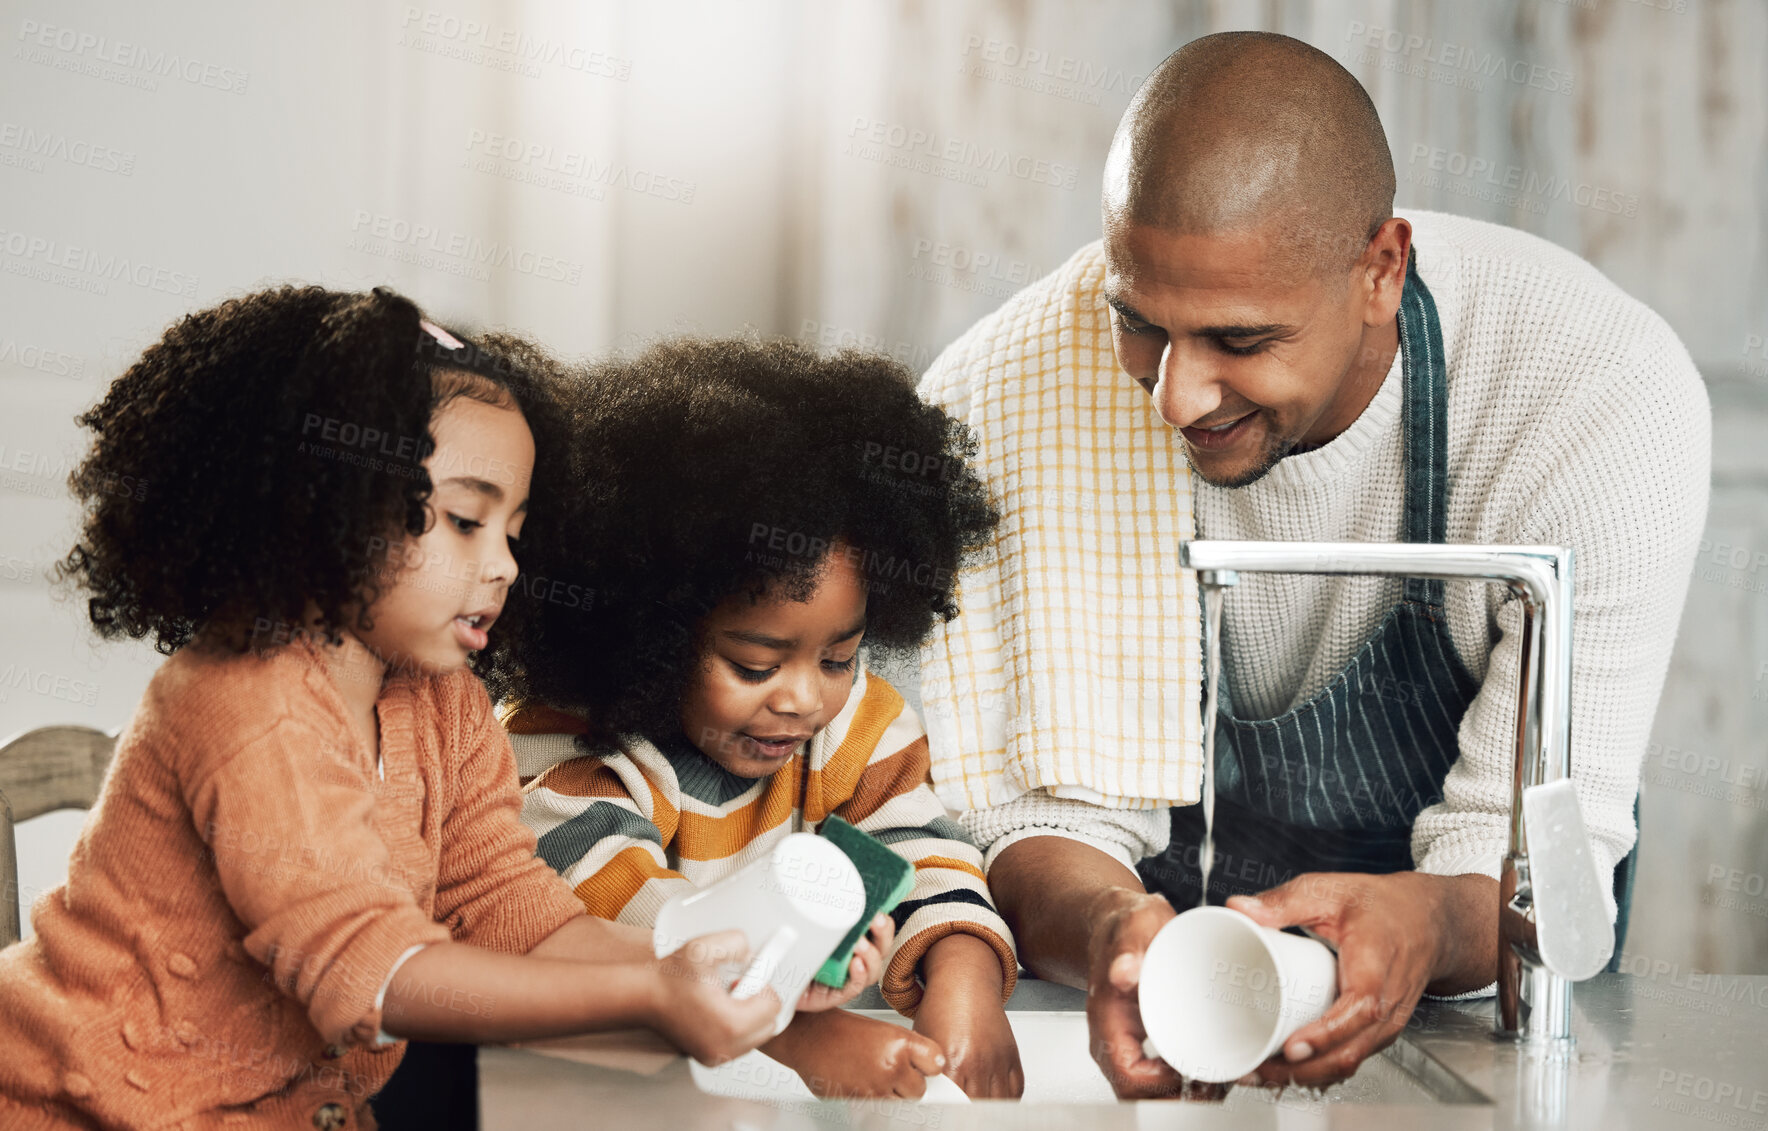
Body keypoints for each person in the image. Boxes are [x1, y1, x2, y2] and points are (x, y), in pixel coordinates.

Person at [919, 31, 1710, 1097]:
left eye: (1239, 341)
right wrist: (1113, 930)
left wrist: (1425, 923)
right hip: (1156, 1017)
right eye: (1139, 324)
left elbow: (1534, 857)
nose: (1176, 399)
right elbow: (1030, 817)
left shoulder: (1597, 393)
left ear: (1380, 268)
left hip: (1476, 1021)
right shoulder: (998, 398)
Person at [0, 288, 780, 1130]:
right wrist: (652, 993)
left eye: (514, 531)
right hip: (85, 1108)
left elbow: (511, 911)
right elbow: (374, 970)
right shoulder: (249, 702)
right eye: (465, 519)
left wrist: (731, 968)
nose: (505, 565)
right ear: (323, 503)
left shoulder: (442, 700)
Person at [484, 338, 1025, 1099]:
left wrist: (963, 975)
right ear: (655, 637)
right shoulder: (564, 754)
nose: (804, 699)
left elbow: (916, 844)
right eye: (755, 665)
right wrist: (796, 1026)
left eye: (838, 658)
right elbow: (620, 919)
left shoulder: (853, 726)